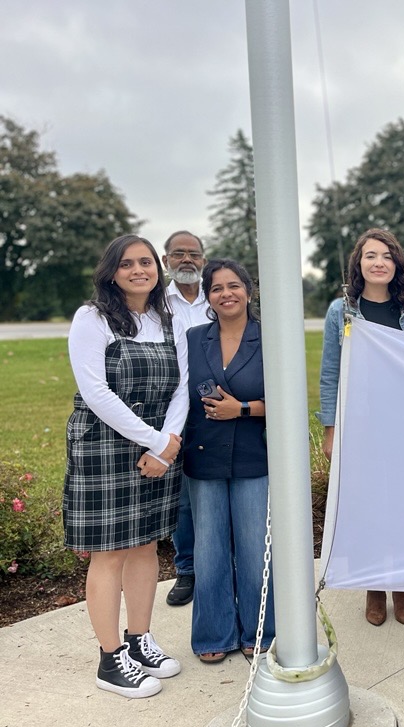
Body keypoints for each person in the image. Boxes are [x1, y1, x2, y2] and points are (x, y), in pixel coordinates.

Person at [63, 234, 187, 698]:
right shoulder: (92, 318)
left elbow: (183, 386)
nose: (139, 270)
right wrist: (156, 442)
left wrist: (165, 448)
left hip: (157, 448)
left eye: (147, 262)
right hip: (104, 444)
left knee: (145, 545)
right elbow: (96, 394)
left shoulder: (167, 318)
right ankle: (110, 659)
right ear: (111, 272)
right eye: (128, 263)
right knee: (109, 551)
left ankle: (139, 640)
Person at [318, 228, 404, 627]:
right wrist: (330, 428)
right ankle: (374, 586)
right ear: (358, 264)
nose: (379, 262)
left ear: (397, 264)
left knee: (400, 504)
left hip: (402, 424)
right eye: (370, 256)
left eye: (387, 256)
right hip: (358, 423)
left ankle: (402, 584)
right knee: (367, 505)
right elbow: (329, 373)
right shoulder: (340, 310)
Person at [183, 259, 274, 663]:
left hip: (254, 458)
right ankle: (214, 634)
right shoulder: (192, 338)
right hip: (203, 457)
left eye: (234, 285)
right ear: (208, 296)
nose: (226, 294)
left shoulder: (269, 337)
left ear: (249, 291)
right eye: (217, 288)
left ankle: (262, 631)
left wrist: (242, 409)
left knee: (256, 550)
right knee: (209, 551)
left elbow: (289, 400)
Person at [162, 230, 210, 608]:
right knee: (181, 498)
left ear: (204, 260)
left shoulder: (220, 296)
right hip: (172, 408)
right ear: (166, 261)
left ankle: (220, 565)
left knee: (215, 486)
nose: (187, 260)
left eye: (193, 254)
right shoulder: (156, 303)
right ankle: (188, 569)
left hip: (217, 405)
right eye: (178, 254)